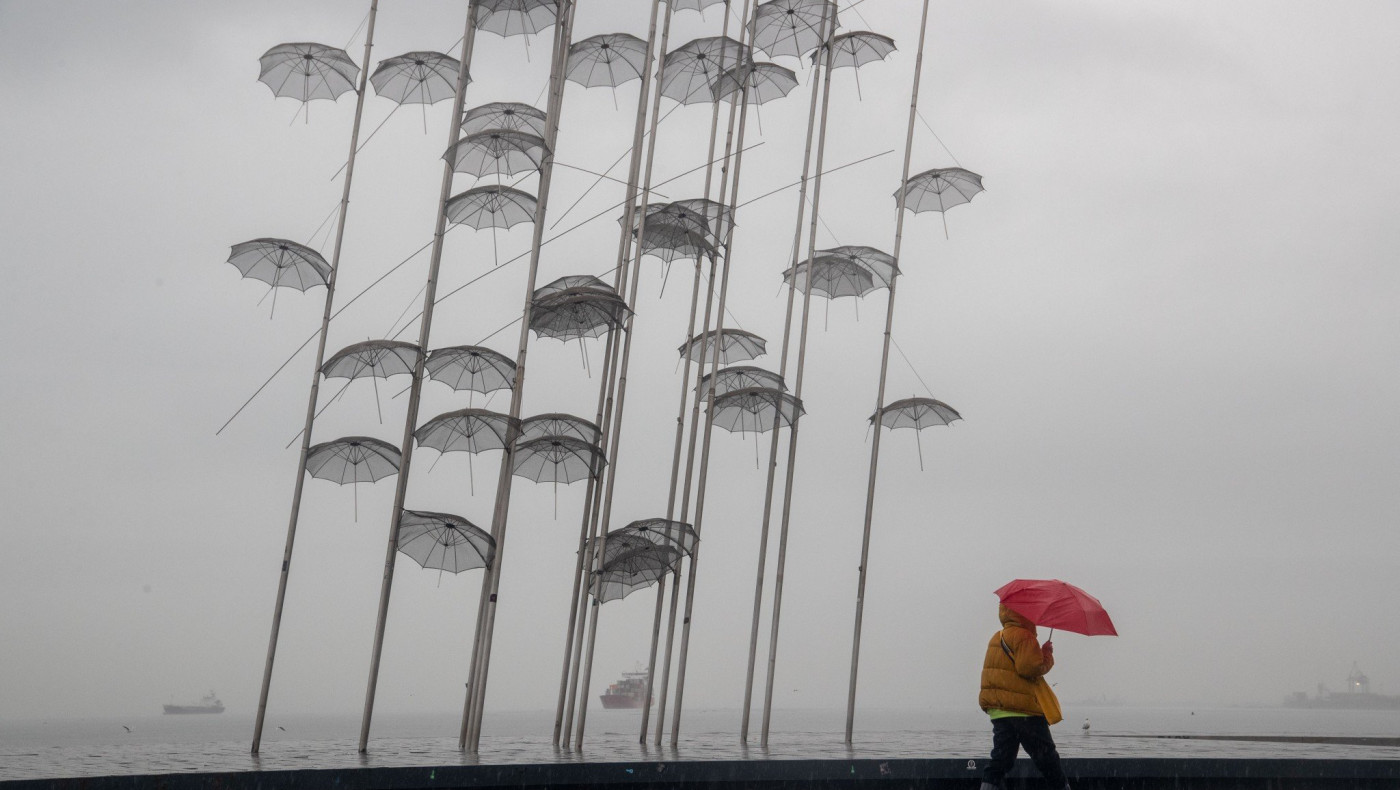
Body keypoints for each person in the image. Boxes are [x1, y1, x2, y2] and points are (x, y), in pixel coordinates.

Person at [977, 604, 1069, 790]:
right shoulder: (1024, 636)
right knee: (1048, 759)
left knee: (1001, 761)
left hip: (1000, 711)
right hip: (1024, 711)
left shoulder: (998, 636)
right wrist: (1047, 655)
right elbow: (1029, 668)